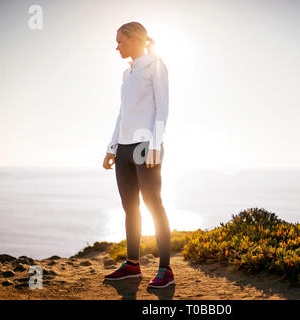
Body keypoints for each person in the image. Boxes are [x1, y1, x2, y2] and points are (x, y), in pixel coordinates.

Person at [102, 22, 174, 289]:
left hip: (146, 145)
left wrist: (155, 144)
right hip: (123, 148)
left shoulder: (156, 66)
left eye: (119, 41)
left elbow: (163, 108)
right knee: (129, 207)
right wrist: (111, 148)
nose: (117, 46)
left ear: (133, 39)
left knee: (154, 205)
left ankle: (166, 269)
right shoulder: (127, 74)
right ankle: (132, 265)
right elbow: (122, 113)